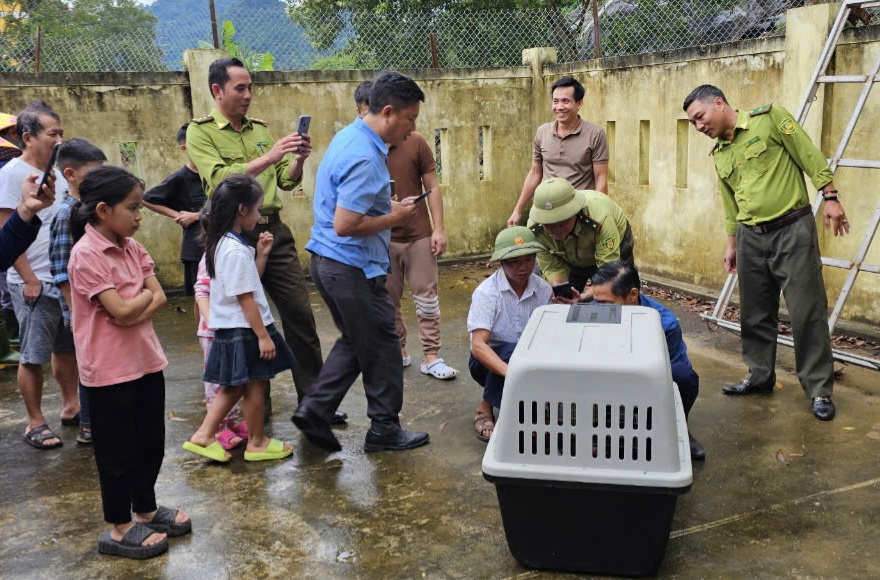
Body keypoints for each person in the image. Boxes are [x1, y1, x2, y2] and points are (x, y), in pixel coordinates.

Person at [186, 57, 344, 424]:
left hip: (274, 232)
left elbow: (285, 181)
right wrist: (271, 154)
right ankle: (257, 413)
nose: (248, 95)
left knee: (300, 318)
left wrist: (296, 159)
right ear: (217, 90)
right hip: (233, 238)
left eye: (250, 87)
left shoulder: (260, 130)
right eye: (240, 88)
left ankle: (315, 404)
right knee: (245, 323)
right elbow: (219, 177)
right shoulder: (201, 132)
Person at [683, 84, 848, 421]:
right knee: (755, 313)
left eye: (700, 117)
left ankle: (819, 390)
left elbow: (808, 154)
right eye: (693, 124)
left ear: (719, 102)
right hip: (749, 237)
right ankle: (759, 376)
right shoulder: (721, 153)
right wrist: (731, 244)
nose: (699, 127)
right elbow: (730, 202)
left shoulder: (770, 119)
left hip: (792, 229)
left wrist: (829, 196)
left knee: (806, 312)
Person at [293, 70, 430, 454]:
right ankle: (383, 429)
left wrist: (386, 207)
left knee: (358, 341)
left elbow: (349, 204)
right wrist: (398, 218)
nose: (411, 129)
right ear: (388, 112)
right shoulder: (366, 156)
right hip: (350, 267)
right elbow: (346, 224)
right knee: (384, 344)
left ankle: (315, 410)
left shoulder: (348, 135)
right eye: (410, 119)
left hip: (329, 263)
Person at [67, 165, 191, 559]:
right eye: (133, 208)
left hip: (145, 361)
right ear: (103, 210)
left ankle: (146, 510)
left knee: (149, 443)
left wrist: (133, 308)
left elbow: (157, 297)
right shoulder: (86, 255)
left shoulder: (133, 248)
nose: (140, 216)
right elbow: (123, 309)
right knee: (116, 452)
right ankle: (120, 527)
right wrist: (137, 305)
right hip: (107, 370)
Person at [183, 175, 296, 463]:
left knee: (234, 387)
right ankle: (256, 441)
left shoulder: (224, 243)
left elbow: (247, 283)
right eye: (258, 209)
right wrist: (263, 335)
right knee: (256, 384)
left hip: (233, 328)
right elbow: (246, 297)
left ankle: (204, 435)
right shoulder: (233, 249)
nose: (260, 216)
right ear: (242, 210)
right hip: (245, 329)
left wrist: (261, 255)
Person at [355, 81, 457, 380]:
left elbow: (432, 185)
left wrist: (438, 229)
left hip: (418, 237)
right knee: (387, 299)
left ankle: (431, 355)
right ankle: (398, 351)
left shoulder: (415, 142)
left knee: (426, 297)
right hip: (381, 239)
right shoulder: (363, 148)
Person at [0, 100, 79, 449]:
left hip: (61, 278)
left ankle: (70, 405)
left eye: (62, 132)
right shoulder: (10, 175)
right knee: (33, 354)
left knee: (66, 348)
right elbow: (6, 230)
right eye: (52, 134)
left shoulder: (59, 175)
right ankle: (34, 421)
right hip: (33, 280)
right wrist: (29, 278)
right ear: (28, 137)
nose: (59, 140)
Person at [590, 261, 705, 460]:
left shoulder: (665, 324)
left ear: (633, 294)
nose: (598, 310)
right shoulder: (593, 312)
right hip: (606, 377)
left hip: (650, 379)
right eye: (595, 301)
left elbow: (673, 371)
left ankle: (677, 428)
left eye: (606, 304)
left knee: (684, 377)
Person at [467, 226, 552, 441]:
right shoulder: (487, 293)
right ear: (502, 263)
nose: (522, 267)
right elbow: (478, 345)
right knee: (513, 352)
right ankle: (488, 406)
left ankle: (510, 406)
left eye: (528, 260)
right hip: (489, 364)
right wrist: (512, 373)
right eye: (514, 262)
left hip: (530, 360)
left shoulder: (543, 289)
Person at [49, 138, 107, 445]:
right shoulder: (67, 214)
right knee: (88, 363)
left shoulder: (84, 210)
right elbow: (60, 269)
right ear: (70, 174)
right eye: (93, 173)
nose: (98, 179)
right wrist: (74, 312)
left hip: (90, 307)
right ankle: (89, 425)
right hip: (79, 308)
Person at [507, 76, 609, 226]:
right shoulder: (542, 132)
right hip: (545, 209)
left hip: (578, 212)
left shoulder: (595, 134)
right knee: (533, 245)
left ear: (579, 103)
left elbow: (601, 178)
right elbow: (535, 173)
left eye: (565, 101)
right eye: (555, 101)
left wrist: (598, 212)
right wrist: (517, 210)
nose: (559, 107)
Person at [192, 212, 248, 451]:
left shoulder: (237, 247)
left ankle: (233, 422)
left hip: (231, 329)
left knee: (234, 380)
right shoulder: (212, 255)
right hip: (214, 332)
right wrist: (212, 320)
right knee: (217, 384)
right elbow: (201, 290)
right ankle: (217, 429)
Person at [528, 177, 634, 301]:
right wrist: (562, 289)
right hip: (569, 258)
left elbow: (608, 271)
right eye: (549, 224)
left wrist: (584, 297)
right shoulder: (535, 231)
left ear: (575, 212)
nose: (557, 229)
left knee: (618, 292)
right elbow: (552, 267)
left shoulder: (601, 219)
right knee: (565, 298)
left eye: (562, 221)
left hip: (615, 248)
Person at [142, 123, 206, 296]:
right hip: (196, 247)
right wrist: (176, 215)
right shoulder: (180, 178)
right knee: (200, 297)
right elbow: (146, 199)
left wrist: (197, 215)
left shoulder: (215, 173)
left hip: (220, 244)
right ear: (184, 148)